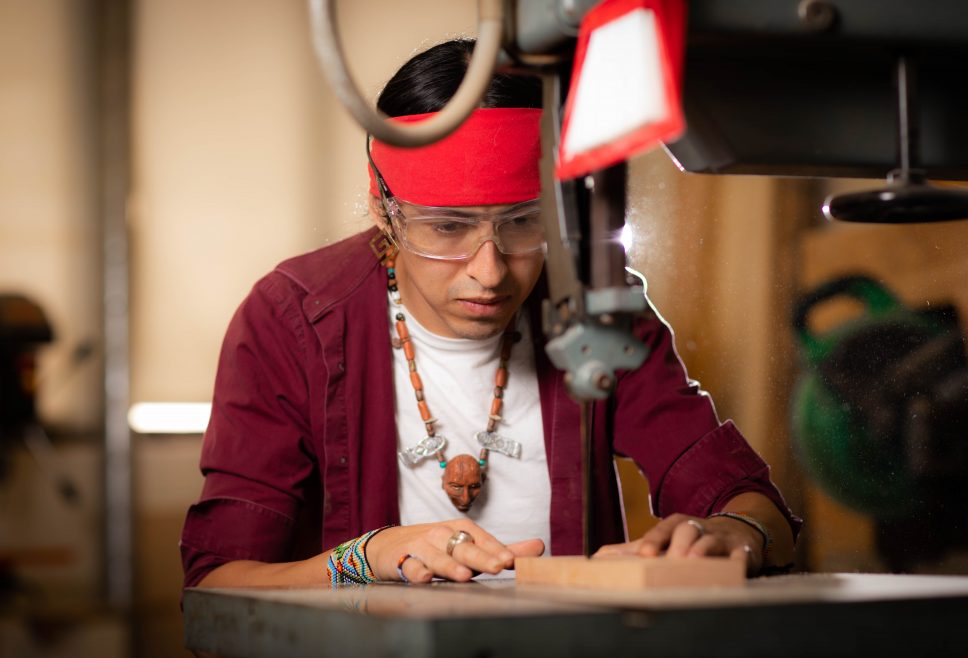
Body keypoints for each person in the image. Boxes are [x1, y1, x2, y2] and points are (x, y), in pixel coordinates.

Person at [180, 38, 801, 589]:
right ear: (384, 213)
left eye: (523, 224)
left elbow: (756, 507)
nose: (490, 270)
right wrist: (368, 557)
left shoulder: (595, 304)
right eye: (447, 228)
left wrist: (733, 534)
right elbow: (217, 586)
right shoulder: (291, 319)